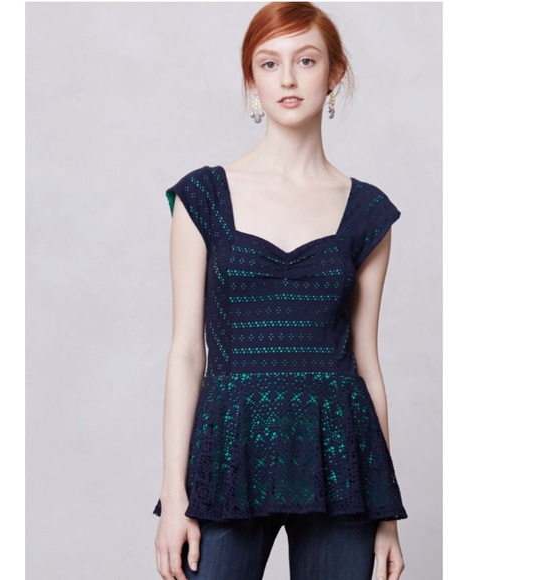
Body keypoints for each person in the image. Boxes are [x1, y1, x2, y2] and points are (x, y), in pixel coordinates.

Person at [153, 3, 408, 579]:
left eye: (306, 60)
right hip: (228, 453)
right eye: (269, 63)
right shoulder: (202, 197)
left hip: (341, 458)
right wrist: (173, 495)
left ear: (334, 73)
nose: (288, 78)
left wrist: (386, 513)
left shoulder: (367, 210)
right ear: (252, 79)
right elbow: (187, 353)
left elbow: (367, 364)